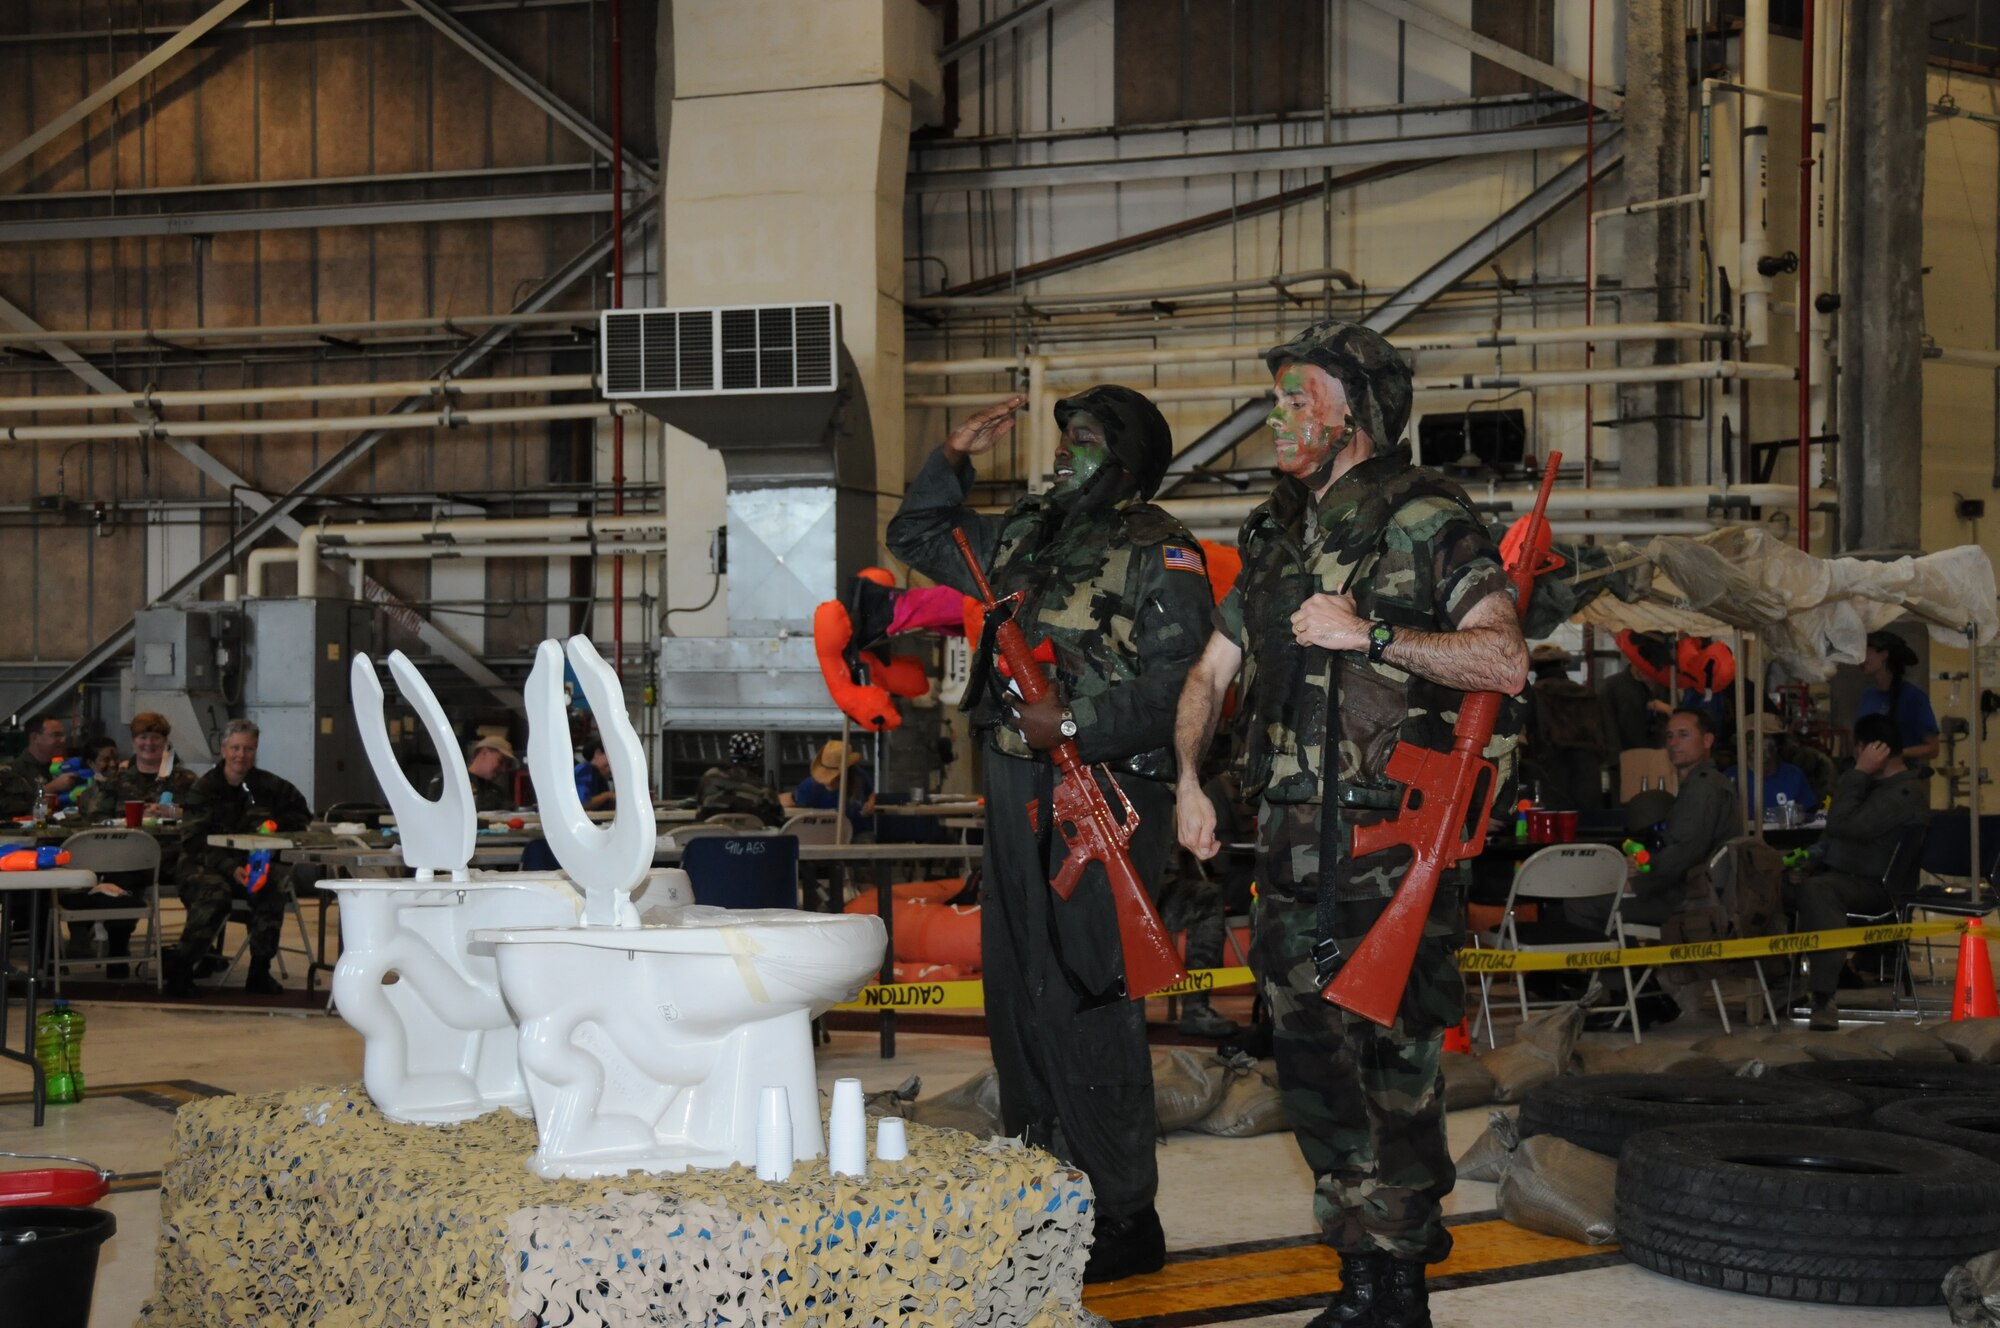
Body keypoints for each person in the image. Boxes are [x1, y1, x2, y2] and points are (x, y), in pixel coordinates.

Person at [1173, 320, 1527, 1328]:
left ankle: (1398, 1282)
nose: (1276, 415)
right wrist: (1189, 780)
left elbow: (1500, 658)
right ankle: (1357, 1276)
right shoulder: (1278, 534)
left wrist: (1368, 631)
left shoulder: (1424, 516)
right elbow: (1210, 669)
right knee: (1309, 1067)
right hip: (1288, 848)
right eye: (1275, 398)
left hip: (1386, 845)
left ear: (1357, 412)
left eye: (1298, 398)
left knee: (1393, 1067)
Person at [888, 382, 1210, 1284]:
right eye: (1065, 436)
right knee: (1020, 997)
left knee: (1088, 998)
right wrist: (952, 458)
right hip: (1013, 782)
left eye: (1088, 439)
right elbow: (916, 538)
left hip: (1102, 789)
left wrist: (1074, 727)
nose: (1067, 451)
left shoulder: (1161, 548)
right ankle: (1042, 1190)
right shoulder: (1025, 532)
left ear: (1130, 457)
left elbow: (1185, 687)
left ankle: (1122, 1216)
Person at [1790, 713, 1932, 1030]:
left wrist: (1857, 773)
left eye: (1859, 750)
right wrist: (1810, 859)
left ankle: (1823, 997)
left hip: (1878, 889)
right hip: (1849, 876)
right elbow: (1835, 836)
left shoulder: (1903, 794)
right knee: (1773, 883)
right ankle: (1775, 983)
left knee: (1820, 891)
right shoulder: (1876, 787)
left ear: (1873, 750)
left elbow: (1841, 823)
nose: (1856, 756)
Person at [164, 719, 312, 997]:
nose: (240, 755)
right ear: (223, 749)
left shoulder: (270, 786)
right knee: (214, 894)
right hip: (204, 862)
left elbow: (302, 814)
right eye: (235, 748)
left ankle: (259, 972)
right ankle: (181, 970)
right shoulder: (205, 788)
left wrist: (274, 825)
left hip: (253, 861)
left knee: (271, 887)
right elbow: (194, 840)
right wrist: (230, 868)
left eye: (248, 749)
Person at [1572, 707, 1743, 938]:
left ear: (1707, 740)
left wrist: (1639, 883)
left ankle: (1609, 973)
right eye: (1669, 736)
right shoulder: (1706, 783)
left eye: (1683, 735)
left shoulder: (1703, 788)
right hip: (1693, 889)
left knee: (1580, 904)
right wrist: (1644, 863)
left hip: (1689, 896)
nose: (1673, 743)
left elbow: (1684, 852)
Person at [70, 712, 201, 974]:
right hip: (126, 858)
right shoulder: (116, 780)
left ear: (165, 742)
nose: (149, 744)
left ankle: (197, 953)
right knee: (119, 885)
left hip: (173, 857)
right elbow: (95, 817)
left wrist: (176, 813)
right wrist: (126, 820)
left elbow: (205, 814)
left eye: (156, 738)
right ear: (133, 742)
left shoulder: (184, 780)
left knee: (203, 883)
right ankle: (118, 948)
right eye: (143, 737)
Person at [1521, 643, 1611, 810]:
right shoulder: (1587, 694)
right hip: (1588, 766)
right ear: (1562, 665)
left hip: (1551, 767)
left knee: (1557, 822)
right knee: (1590, 824)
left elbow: (1531, 735)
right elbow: (1603, 733)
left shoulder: (1534, 695)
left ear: (1536, 668)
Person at [1858, 630, 1940, 764]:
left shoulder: (1913, 697)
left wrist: (1893, 754)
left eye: (1866, 652)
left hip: (1902, 777)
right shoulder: (1868, 695)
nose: (1860, 658)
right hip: (1870, 777)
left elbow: (1933, 748)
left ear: (1884, 655)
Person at [1726, 713, 1817, 817]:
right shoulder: (1731, 778)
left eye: (1765, 738)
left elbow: (1810, 817)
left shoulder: (1794, 775)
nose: (1757, 745)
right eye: (1751, 738)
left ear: (1778, 743)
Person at [786, 739, 875, 833]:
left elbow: (871, 792)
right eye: (825, 777)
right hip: (822, 834)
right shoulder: (809, 786)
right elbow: (789, 799)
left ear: (849, 773)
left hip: (858, 832)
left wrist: (871, 802)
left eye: (836, 778)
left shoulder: (859, 776)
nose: (829, 782)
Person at [698, 732, 784, 826]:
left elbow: (700, 805)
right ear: (757, 757)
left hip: (709, 837)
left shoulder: (710, 777)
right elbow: (777, 822)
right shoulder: (766, 791)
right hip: (751, 839)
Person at [10, 713, 85, 809]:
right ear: (34, 737)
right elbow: (18, 807)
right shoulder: (17, 769)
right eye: (56, 735)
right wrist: (52, 787)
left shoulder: (65, 764)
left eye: (62, 735)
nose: (62, 740)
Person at [465, 736, 518, 813]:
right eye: (501, 761)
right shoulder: (455, 785)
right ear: (485, 752)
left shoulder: (500, 793)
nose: (503, 770)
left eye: (507, 766)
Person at [574, 739, 614, 810]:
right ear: (598, 753)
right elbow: (583, 803)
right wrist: (608, 795)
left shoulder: (599, 775)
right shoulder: (584, 770)